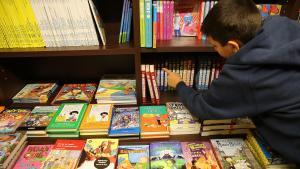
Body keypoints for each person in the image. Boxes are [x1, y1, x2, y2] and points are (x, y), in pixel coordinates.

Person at [163, 0, 300, 165]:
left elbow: (203, 106)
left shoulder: (245, 74)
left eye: (214, 46)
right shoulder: (281, 23)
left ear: (233, 46)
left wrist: (179, 84)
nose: (214, 50)